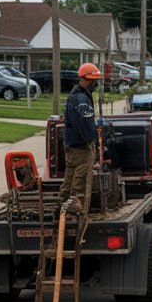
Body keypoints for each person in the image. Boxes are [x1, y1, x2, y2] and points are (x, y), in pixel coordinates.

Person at [59, 62, 100, 214]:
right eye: (94, 80)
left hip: (71, 144)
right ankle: (77, 208)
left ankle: (63, 203)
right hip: (81, 146)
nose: (95, 84)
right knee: (81, 176)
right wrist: (91, 142)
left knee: (70, 173)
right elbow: (85, 123)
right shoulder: (82, 99)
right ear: (87, 80)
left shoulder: (74, 95)